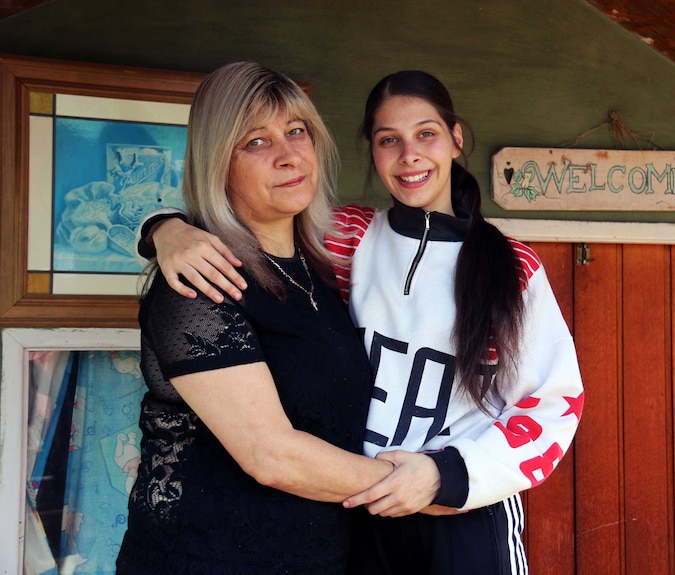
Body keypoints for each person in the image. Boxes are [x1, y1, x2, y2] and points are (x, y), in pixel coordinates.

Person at [141, 70, 585, 574]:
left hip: (457, 505)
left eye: (426, 134)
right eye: (387, 140)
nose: (410, 155)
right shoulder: (347, 239)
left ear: (456, 138)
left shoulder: (513, 266)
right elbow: (254, 219)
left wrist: (453, 476)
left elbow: (555, 402)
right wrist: (164, 227)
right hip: (351, 511)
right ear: (370, 151)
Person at [115, 61, 410, 575]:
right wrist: (420, 488)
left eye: (296, 132)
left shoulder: (322, 270)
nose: (288, 155)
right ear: (217, 163)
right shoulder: (199, 281)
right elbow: (270, 455)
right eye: (255, 142)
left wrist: (159, 224)